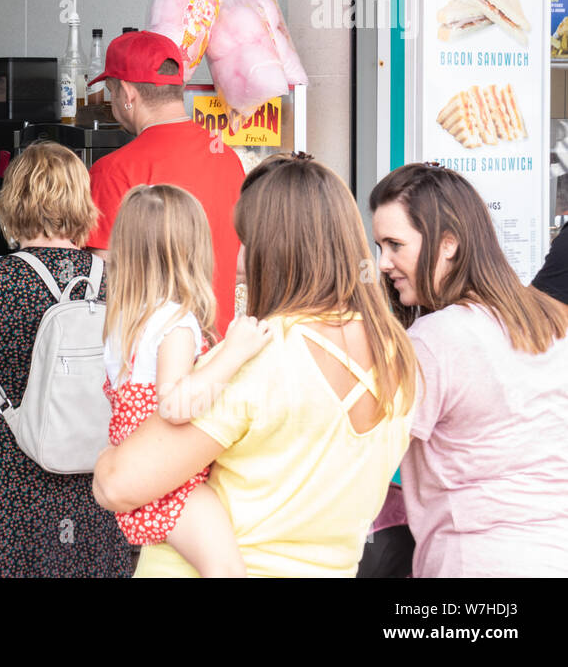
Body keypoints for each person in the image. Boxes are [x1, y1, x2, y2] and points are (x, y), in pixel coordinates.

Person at [92, 153, 417, 577]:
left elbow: (116, 484)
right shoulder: (399, 355)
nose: (240, 260)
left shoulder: (259, 353)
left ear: (275, 248)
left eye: (246, 240)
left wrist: (104, 458)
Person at [0, 141, 131, 577]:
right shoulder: (114, 281)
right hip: (95, 478)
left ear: (13, 201)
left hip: (8, 484)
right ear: (81, 201)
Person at [370, 163, 568, 577]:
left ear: (448, 244)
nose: (384, 263)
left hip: (474, 560)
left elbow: (366, 451)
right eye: (379, 247)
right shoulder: (551, 323)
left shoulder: (435, 338)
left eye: (394, 245)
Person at [101, 183, 273, 577]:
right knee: (227, 571)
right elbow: (175, 406)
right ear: (191, 250)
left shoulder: (124, 319)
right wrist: (233, 351)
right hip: (171, 478)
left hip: (137, 464)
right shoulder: (176, 322)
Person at [86, 30, 244, 336]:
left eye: (111, 91)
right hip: (217, 355)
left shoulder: (112, 170)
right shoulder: (227, 157)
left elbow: (103, 280)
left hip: (148, 363)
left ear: (128, 94)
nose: (112, 102)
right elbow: (240, 266)